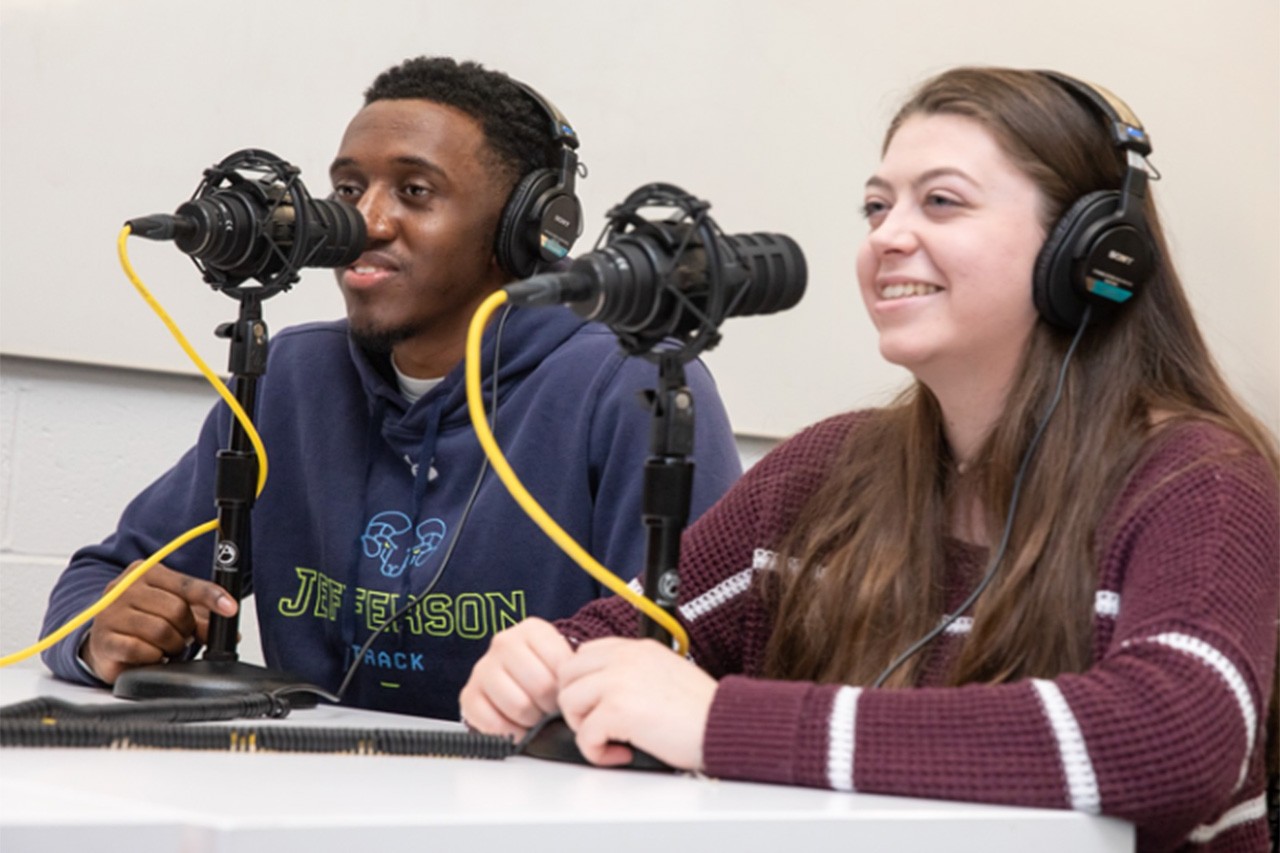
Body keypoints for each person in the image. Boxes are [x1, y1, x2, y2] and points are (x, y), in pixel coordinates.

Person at [460, 67, 1279, 853]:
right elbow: (621, 644)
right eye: (876, 207)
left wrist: (722, 724)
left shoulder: (1200, 481)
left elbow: (1171, 739)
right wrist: (540, 668)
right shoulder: (825, 469)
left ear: (1093, 254)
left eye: (943, 203)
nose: (888, 236)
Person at [39, 56, 743, 721]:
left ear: (526, 231)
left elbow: (705, 657)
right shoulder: (290, 377)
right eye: (348, 189)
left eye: (414, 191)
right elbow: (98, 579)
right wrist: (100, 631)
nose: (365, 223)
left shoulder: (631, 387)